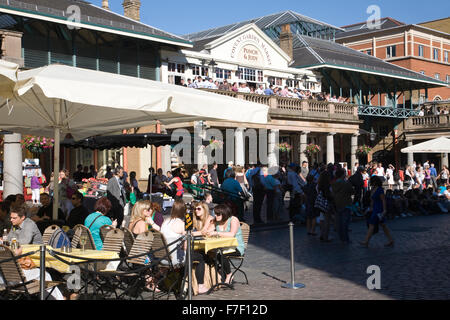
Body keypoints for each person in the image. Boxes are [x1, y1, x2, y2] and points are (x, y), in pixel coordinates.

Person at [160, 200, 209, 294]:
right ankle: (200, 285)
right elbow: (186, 245)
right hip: (175, 259)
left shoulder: (165, 222)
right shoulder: (182, 224)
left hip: (163, 257)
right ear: (184, 211)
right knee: (200, 257)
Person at [206, 204, 245, 285]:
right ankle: (215, 275)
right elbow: (208, 232)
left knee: (222, 254)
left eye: (218, 214)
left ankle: (229, 274)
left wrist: (216, 233)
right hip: (222, 246)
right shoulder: (216, 221)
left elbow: (231, 234)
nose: (216, 216)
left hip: (236, 247)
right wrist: (209, 228)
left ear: (224, 213)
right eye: (215, 214)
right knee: (208, 253)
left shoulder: (233, 219)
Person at [360, 176, 394, 248]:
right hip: (375, 208)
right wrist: (370, 208)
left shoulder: (379, 189)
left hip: (379, 209)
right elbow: (372, 200)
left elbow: (383, 200)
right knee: (383, 225)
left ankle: (366, 241)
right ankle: (391, 240)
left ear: (375, 182)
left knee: (372, 224)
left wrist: (384, 210)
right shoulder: (373, 189)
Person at [331, 168, 353, 244]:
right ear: (342, 175)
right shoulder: (346, 183)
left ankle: (341, 238)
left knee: (339, 222)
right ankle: (345, 239)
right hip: (346, 203)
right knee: (345, 223)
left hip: (337, 204)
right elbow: (352, 191)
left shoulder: (333, 183)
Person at [316, 171, 334, 242]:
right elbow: (330, 195)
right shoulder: (328, 186)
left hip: (320, 204)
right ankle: (326, 236)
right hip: (327, 204)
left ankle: (322, 234)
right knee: (327, 221)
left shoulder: (319, 185)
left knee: (322, 219)